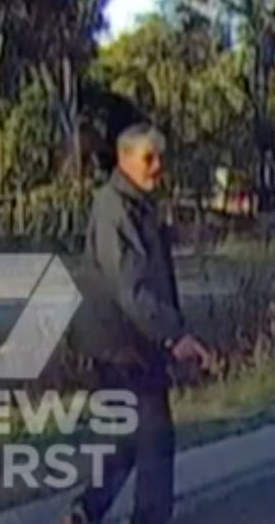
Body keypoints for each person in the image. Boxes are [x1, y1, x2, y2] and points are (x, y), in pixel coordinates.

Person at [66, 123, 213, 524]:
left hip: (131, 341)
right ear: (125, 159)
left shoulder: (137, 206)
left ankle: (85, 511)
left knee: (130, 439)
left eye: (160, 157)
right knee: (155, 438)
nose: (158, 166)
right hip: (121, 345)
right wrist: (174, 336)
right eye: (149, 158)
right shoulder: (114, 208)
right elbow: (132, 289)